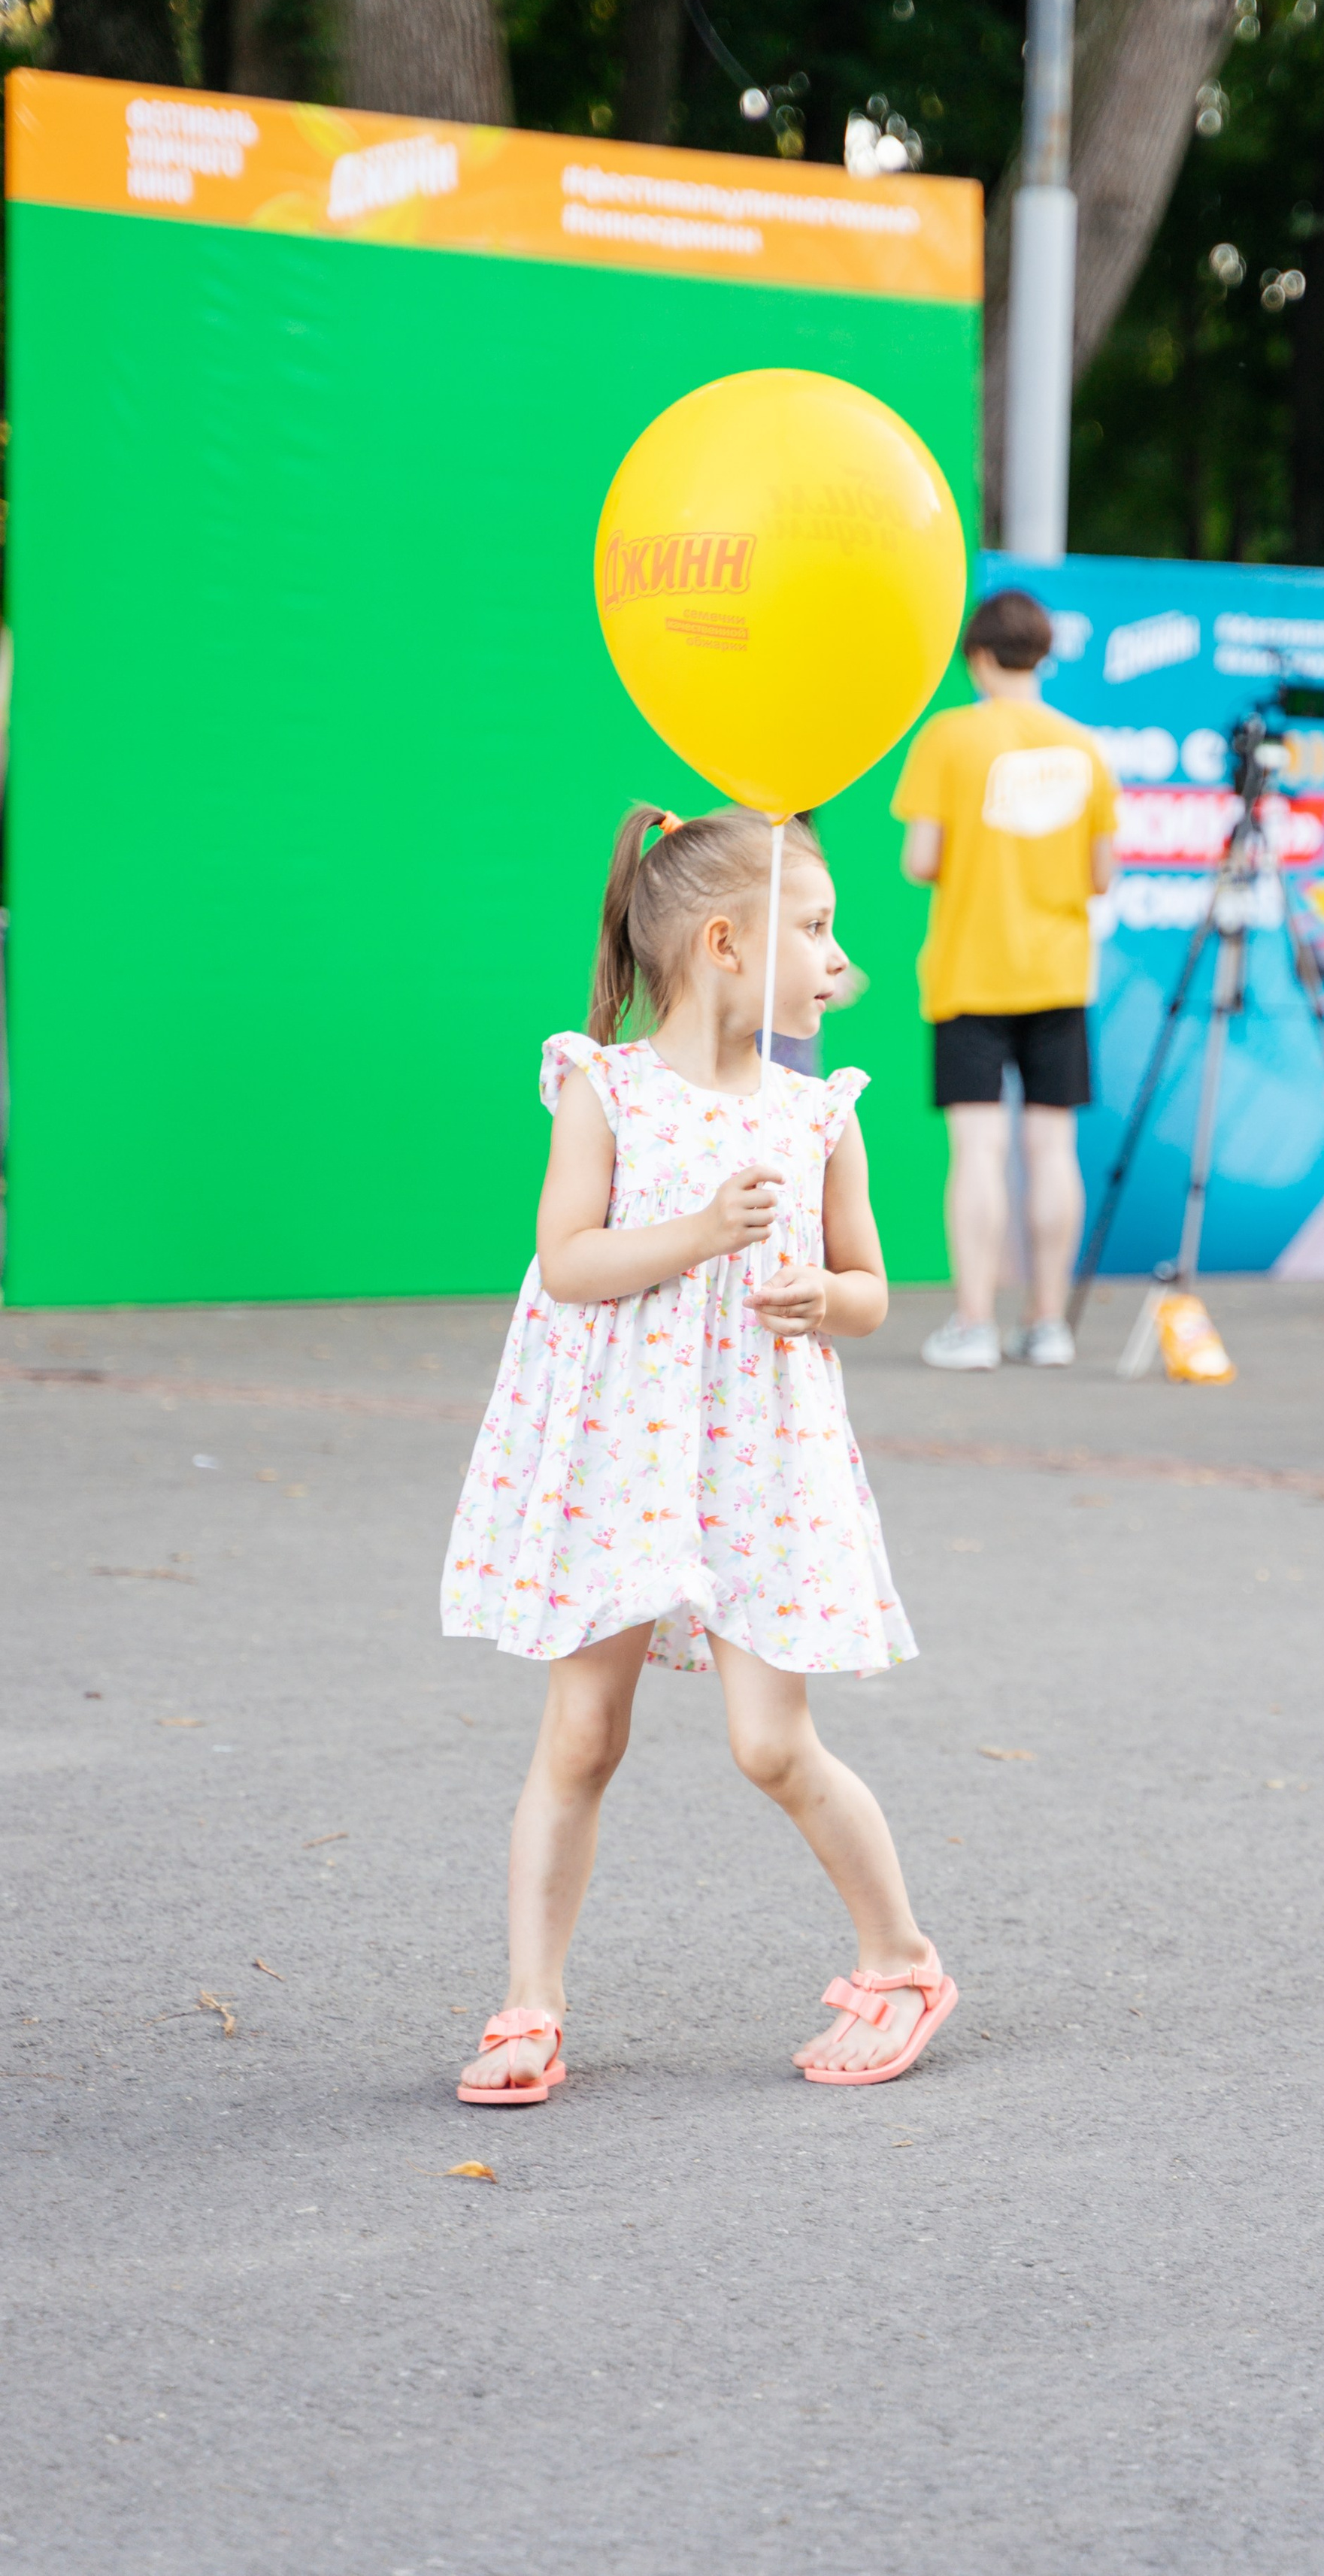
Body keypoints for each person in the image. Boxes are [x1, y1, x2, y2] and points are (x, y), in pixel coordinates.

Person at [442, 804, 956, 2098]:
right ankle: (528, 2004)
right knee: (580, 1734)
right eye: (816, 927)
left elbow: (870, 1287)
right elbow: (570, 1261)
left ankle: (903, 1962)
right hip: (618, 1451)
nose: (838, 956)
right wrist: (705, 1232)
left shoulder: (817, 1113)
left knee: (772, 1743)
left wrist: (824, 1299)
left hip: (758, 1460)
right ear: (725, 944)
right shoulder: (603, 1088)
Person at [892, 588, 1118, 1371]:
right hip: (1059, 972)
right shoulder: (1084, 747)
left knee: (978, 1151)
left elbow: (920, 858)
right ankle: (1048, 1324)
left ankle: (974, 1324)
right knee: (1052, 1148)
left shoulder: (950, 737)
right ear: (1043, 655)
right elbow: (1102, 874)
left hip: (971, 970)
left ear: (979, 657)